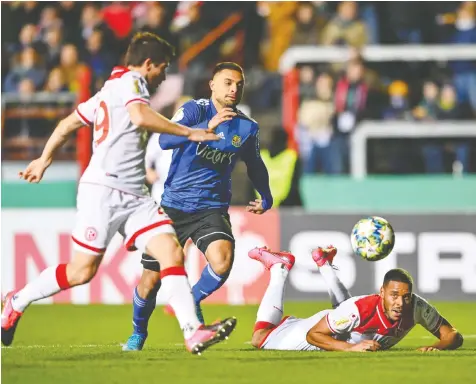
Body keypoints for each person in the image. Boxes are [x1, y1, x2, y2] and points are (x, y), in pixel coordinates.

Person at [1, 32, 237, 355]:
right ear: (148, 64)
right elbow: (140, 116)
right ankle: (16, 301)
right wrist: (189, 133)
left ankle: (192, 332)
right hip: (104, 191)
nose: (164, 76)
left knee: (170, 251)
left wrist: (45, 158)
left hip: (135, 195)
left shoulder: (108, 91)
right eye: (163, 68)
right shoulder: (133, 83)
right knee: (81, 271)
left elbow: (68, 123)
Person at [122, 62, 273, 351]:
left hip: (211, 208)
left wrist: (266, 194)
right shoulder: (194, 110)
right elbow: (165, 139)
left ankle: (189, 301)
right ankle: (138, 333)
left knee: (223, 260)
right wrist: (205, 128)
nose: (234, 89)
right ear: (212, 85)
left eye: (239, 85)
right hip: (173, 206)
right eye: (227, 82)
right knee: (149, 283)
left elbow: (255, 164)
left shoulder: (247, 127)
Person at [249, 246, 464, 352]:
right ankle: (280, 268)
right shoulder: (361, 309)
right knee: (260, 338)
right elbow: (313, 335)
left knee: (347, 313)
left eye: (406, 297)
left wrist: (437, 347)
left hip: (345, 322)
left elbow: (453, 335)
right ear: (382, 293)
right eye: (394, 296)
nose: (400, 303)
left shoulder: (416, 307)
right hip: (329, 331)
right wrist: (350, 349)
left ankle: (324, 265)